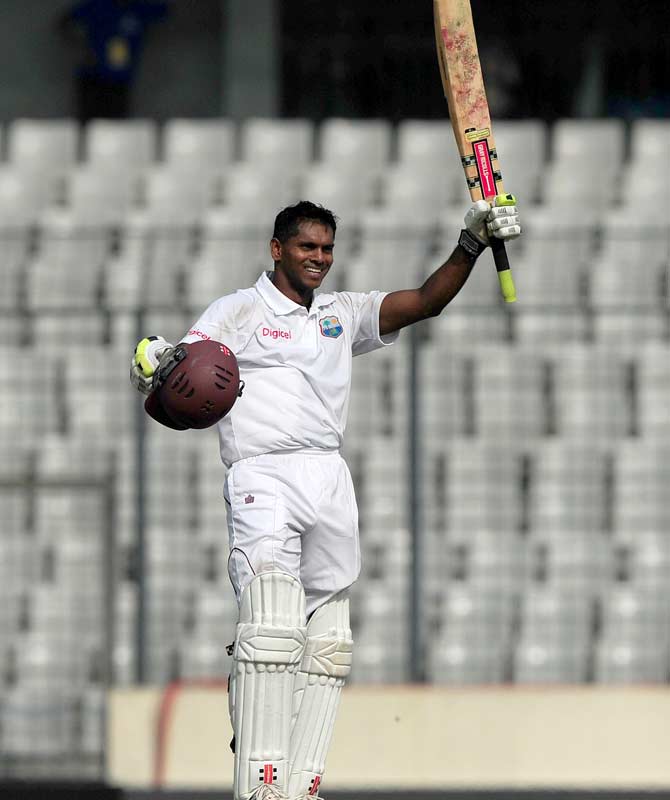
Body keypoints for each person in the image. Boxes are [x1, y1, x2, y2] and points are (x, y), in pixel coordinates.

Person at [130, 197, 521, 800]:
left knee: (329, 639)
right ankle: (259, 784)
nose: (319, 258)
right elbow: (179, 375)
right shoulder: (237, 311)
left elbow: (424, 301)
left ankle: (301, 783)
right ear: (277, 249)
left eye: (327, 248)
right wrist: (154, 363)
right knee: (272, 623)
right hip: (263, 473)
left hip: (328, 475)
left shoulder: (343, 313)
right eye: (307, 246)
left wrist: (469, 242)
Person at [58, 0, 170, 123]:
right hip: (93, 77)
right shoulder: (97, 6)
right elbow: (65, 22)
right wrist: (82, 46)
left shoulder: (139, 9)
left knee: (115, 129)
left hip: (120, 81)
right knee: (88, 127)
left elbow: (169, 11)